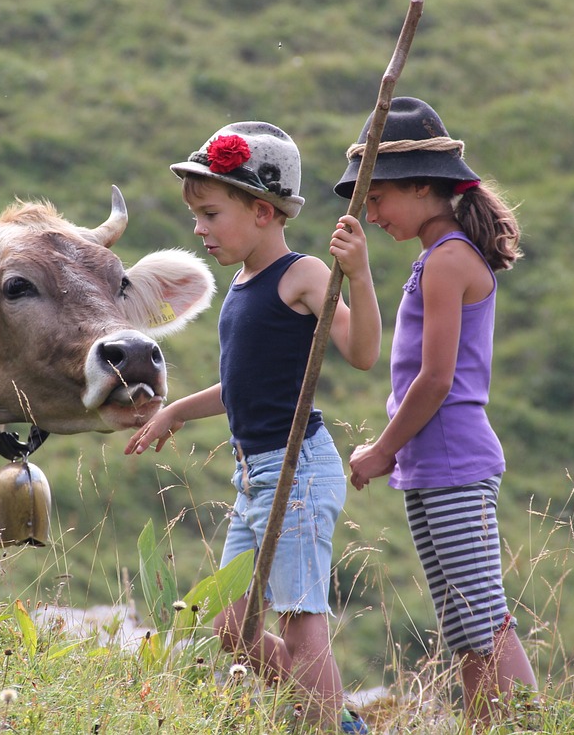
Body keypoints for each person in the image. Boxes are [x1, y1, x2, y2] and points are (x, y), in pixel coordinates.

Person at [124, 121, 379, 732]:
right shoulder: (241, 285)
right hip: (254, 478)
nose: (199, 229)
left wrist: (361, 275)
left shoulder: (303, 274)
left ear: (263, 211)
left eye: (211, 214)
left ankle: (326, 724)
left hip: (297, 471)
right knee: (231, 628)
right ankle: (335, 719)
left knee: (299, 622)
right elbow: (242, 387)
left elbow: (364, 352)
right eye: (196, 216)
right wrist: (176, 410)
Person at [337, 96, 538, 727]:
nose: (372, 214)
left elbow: (436, 380)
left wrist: (382, 450)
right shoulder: (436, 258)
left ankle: (526, 724)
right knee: (462, 623)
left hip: (452, 458)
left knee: (482, 616)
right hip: (432, 463)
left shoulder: (449, 260)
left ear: (423, 186)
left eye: (378, 199)